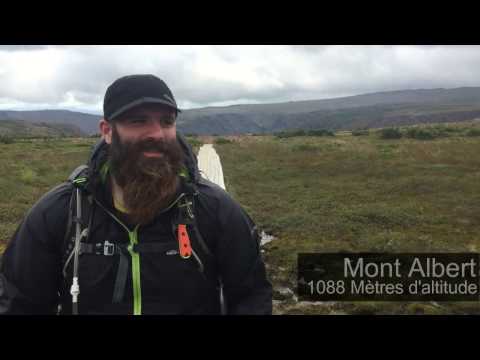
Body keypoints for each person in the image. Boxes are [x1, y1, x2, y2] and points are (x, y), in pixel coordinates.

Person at [0, 74, 272, 315]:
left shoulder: (214, 210)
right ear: (107, 131)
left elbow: (252, 298)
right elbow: (19, 304)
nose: (157, 133)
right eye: (138, 120)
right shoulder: (60, 213)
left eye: (167, 121)